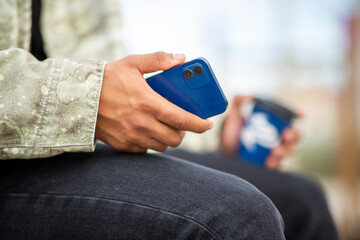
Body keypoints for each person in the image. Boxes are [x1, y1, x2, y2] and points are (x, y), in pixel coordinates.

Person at [0, 0, 285, 239]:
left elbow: (111, 75)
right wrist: (88, 96)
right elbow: (98, 89)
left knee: (301, 199)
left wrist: (216, 136)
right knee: (240, 215)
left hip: (83, 148)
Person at [166, 96, 339, 240]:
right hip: (157, 159)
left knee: (306, 195)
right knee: (307, 196)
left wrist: (229, 151)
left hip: (170, 156)